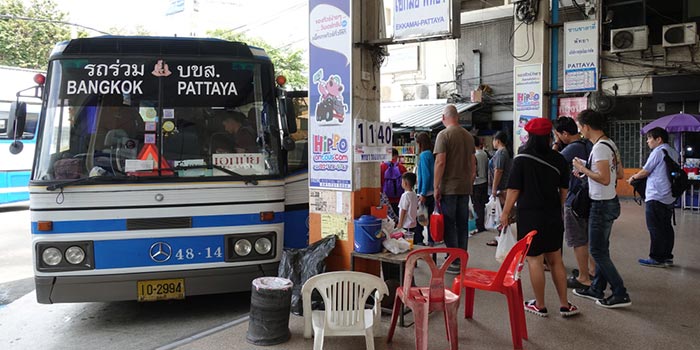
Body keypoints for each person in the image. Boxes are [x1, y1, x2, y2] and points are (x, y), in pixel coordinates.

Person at [500, 118, 580, 318]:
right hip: (552, 214)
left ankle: (540, 305)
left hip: (529, 215)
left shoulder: (521, 159)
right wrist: (557, 206)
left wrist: (506, 212)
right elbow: (564, 190)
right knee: (556, 260)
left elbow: (514, 189)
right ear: (548, 136)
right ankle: (564, 304)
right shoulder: (559, 159)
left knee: (534, 260)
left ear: (529, 136)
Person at [572, 109, 631, 309]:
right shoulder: (610, 144)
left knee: (597, 252)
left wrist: (583, 169)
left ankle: (620, 292)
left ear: (587, 127)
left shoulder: (599, 148)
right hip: (609, 202)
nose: (580, 132)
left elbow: (605, 179)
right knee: (601, 249)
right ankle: (597, 288)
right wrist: (588, 170)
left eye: (580, 128)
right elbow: (620, 174)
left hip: (601, 205)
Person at [553, 116, 596, 289]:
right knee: (588, 238)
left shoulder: (570, 149)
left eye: (557, 134)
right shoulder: (589, 145)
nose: (557, 137)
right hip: (589, 196)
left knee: (578, 240)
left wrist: (556, 145)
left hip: (574, 199)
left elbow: (551, 163)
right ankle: (592, 271)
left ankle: (583, 277)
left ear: (564, 133)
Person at [433, 104, 476, 274]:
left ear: (444, 118)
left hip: (449, 188)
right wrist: (470, 180)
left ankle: (453, 260)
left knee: (450, 224)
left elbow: (440, 162)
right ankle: (462, 257)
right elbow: (473, 163)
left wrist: (436, 186)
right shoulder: (468, 136)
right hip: (465, 188)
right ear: (457, 117)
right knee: (462, 224)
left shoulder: (443, 135)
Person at [628, 127, 678, 268]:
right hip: (668, 196)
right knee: (666, 227)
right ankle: (667, 257)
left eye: (650, 138)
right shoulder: (673, 151)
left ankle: (656, 258)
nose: (647, 141)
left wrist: (632, 177)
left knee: (655, 227)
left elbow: (645, 171)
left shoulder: (658, 151)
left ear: (659, 139)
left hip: (656, 195)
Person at [486, 131, 512, 246]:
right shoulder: (503, 152)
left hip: (501, 189)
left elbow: (498, 171)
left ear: (497, 141)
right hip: (502, 188)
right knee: (500, 214)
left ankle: (502, 239)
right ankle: (501, 237)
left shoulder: (501, 153)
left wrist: (494, 188)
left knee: (501, 214)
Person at [415, 132, 435, 246]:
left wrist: (422, 193)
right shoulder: (431, 154)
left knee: (420, 217)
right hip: (433, 191)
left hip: (425, 192)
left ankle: (419, 240)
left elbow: (425, 175)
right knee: (430, 218)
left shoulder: (423, 155)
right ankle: (431, 239)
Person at [381, 148, 407, 216]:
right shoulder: (402, 168)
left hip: (386, 199)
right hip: (399, 199)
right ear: (397, 156)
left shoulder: (382, 167)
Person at [472, 136, 489, 233]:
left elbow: (474, 171)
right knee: (481, 205)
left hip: (476, 183)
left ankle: (478, 225)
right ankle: (481, 224)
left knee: (477, 205)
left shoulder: (475, 155)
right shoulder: (484, 153)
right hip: (484, 181)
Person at [397, 172, 419, 238]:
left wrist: (400, 223)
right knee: (412, 239)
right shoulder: (414, 194)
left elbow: (403, 210)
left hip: (406, 224)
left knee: (406, 241)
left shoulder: (405, 195)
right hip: (413, 223)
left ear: (405, 183)